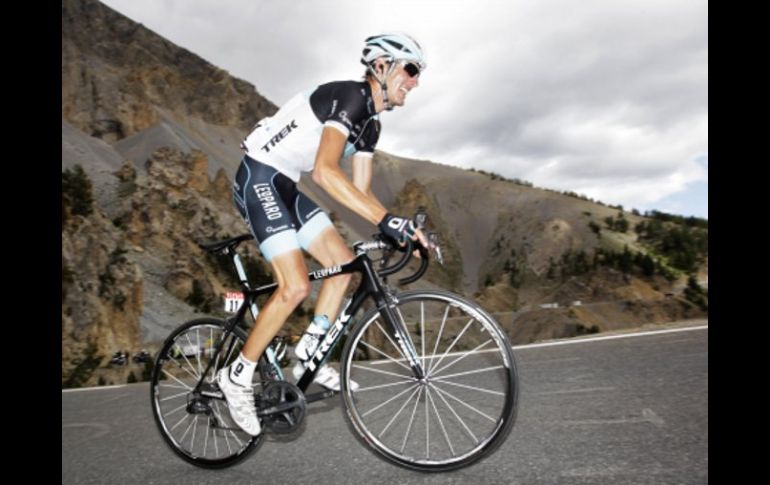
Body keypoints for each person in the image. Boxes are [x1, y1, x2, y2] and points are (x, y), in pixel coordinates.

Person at [217, 33, 429, 436]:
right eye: (411, 69)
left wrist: (402, 232)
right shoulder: (351, 98)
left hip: (286, 186)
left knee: (342, 268)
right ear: (381, 67)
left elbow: (361, 193)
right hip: (259, 176)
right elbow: (325, 172)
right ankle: (237, 376)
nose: (416, 81)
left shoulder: (371, 125)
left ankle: (308, 353)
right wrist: (388, 221)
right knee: (295, 286)